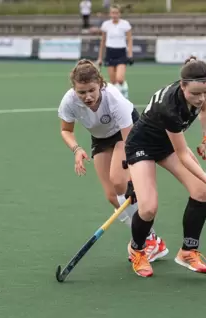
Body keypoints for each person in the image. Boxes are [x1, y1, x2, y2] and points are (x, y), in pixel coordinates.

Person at [123, 56, 206, 277]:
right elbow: (182, 154)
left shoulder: (197, 88)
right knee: (148, 208)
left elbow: (205, 111)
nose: (201, 98)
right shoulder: (168, 108)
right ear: (182, 86)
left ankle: (188, 251)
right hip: (142, 145)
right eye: (196, 94)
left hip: (167, 143)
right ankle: (137, 249)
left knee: (200, 193)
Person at [58, 59, 168, 263]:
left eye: (91, 90)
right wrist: (77, 149)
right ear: (74, 90)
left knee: (119, 182)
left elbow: (129, 141)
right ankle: (152, 240)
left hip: (126, 132)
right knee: (112, 196)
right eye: (82, 92)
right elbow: (66, 130)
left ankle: (142, 240)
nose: (88, 97)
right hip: (100, 138)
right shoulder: (69, 101)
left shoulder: (114, 99)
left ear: (100, 84)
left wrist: (133, 178)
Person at [97, 4, 133, 99]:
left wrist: (130, 54)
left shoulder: (125, 24)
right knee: (113, 81)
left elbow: (129, 40)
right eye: (113, 13)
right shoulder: (106, 25)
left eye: (116, 13)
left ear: (119, 14)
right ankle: (118, 98)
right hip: (110, 52)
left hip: (121, 52)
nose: (114, 15)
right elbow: (103, 41)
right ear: (110, 14)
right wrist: (100, 57)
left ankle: (124, 90)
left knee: (119, 78)